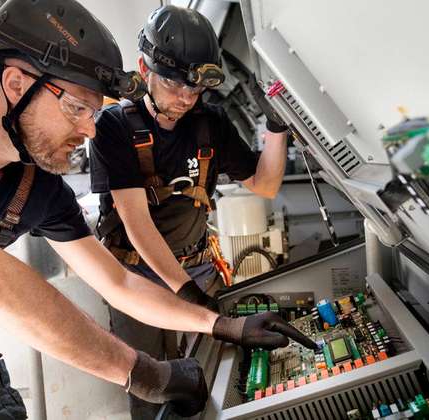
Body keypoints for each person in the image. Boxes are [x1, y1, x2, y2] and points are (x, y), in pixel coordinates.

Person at [0, 1, 311, 418]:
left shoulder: (38, 189)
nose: (91, 128)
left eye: (95, 112)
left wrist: (223, 326)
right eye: (77, 108)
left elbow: (119, 284)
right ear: (16, 84)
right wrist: (146, 374)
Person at [90, 5, 314, 418]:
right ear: (143, 67)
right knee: (153, 390)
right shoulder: (113, 127)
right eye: (174, 85)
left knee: (210, 374)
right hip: (138, 278)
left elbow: (264, 184)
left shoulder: (208, 124)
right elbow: (136, 222)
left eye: (194, 90)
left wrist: (276, 129)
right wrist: (186, 295)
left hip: (198, 272)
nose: (185, 99)